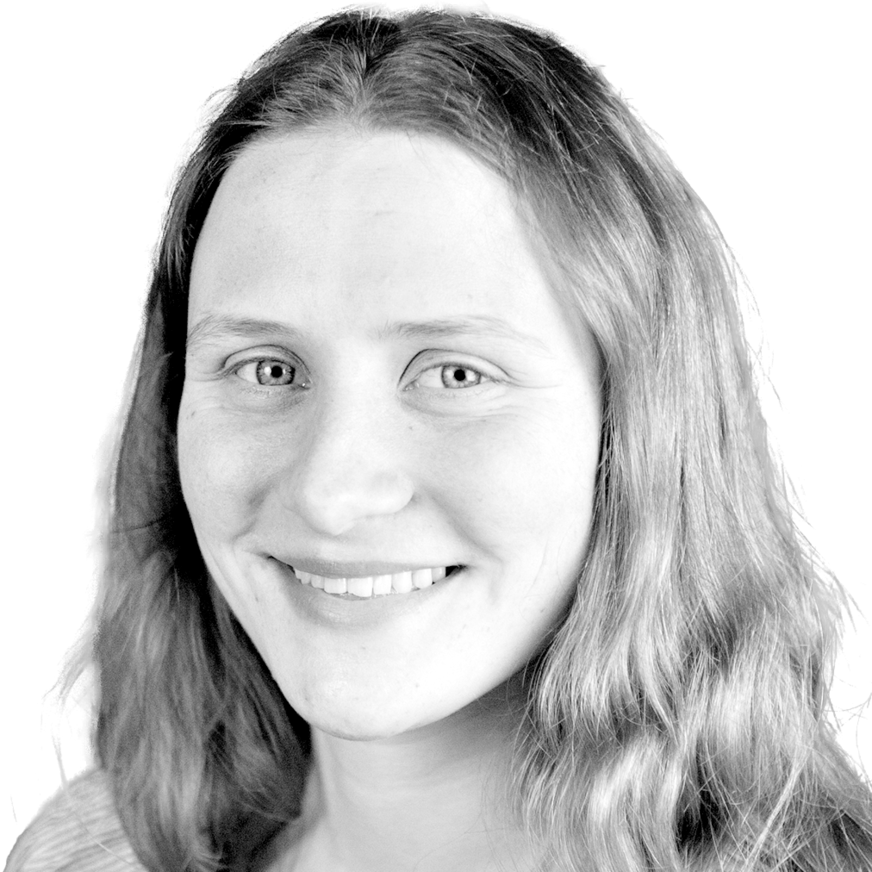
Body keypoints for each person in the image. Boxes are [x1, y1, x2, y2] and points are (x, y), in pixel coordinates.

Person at [6, 3, 871, 871]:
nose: (332, 495)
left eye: (456, 374)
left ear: (644, 424)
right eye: (266, 369)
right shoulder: (93, 853)